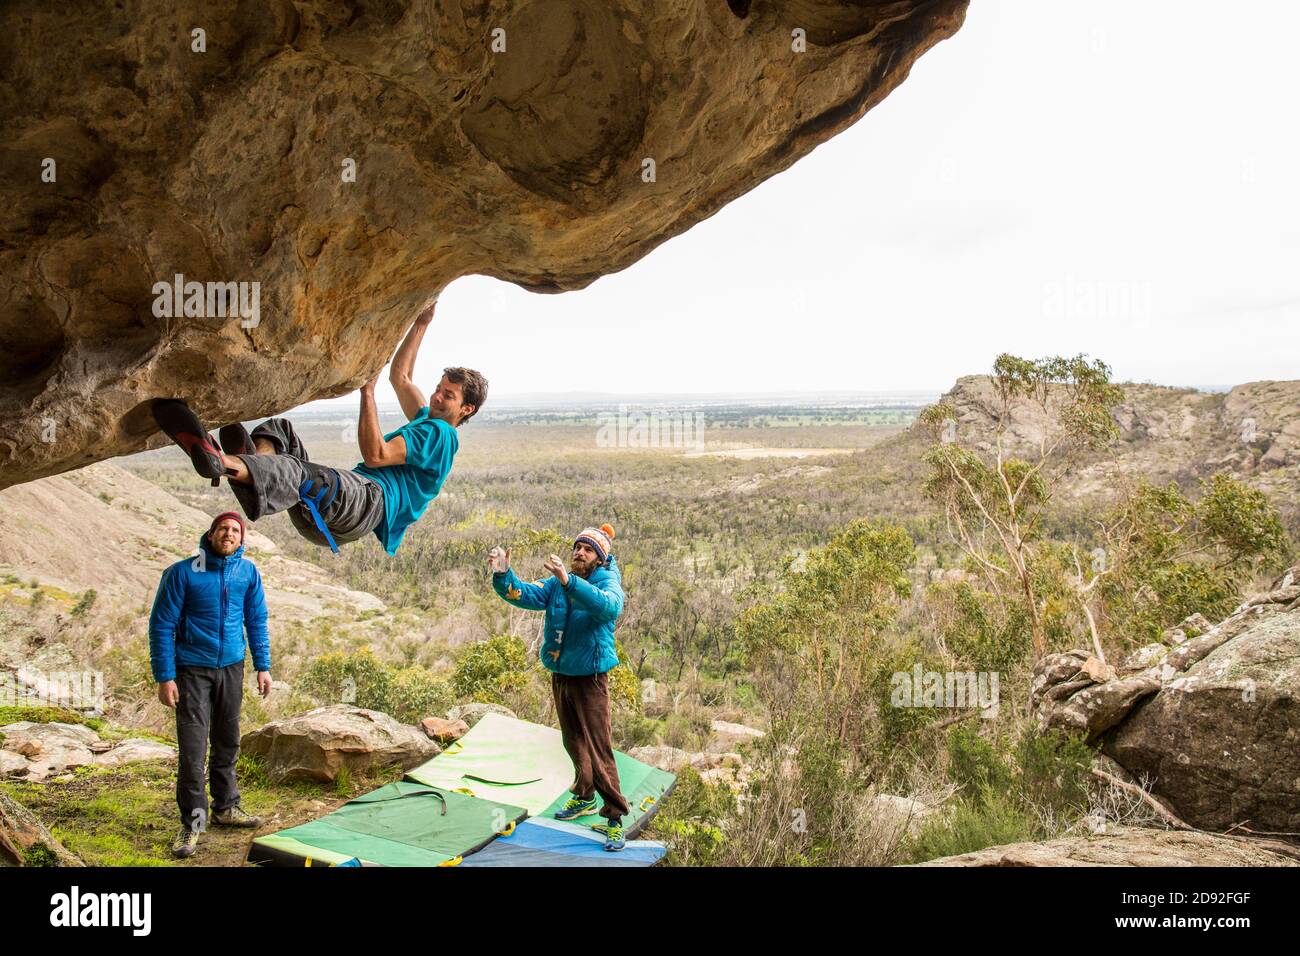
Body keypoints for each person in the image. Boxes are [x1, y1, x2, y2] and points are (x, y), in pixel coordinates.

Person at [149, 297, 486, 556]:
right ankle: (254, 466)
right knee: (281, 431)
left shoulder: (439, 433)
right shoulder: (431, 420)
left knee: (299, 471)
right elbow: (402, 377)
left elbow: (376, 456)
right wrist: (422, 322)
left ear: (466, 408)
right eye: (439, 388)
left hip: (366, 501)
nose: (437, 396)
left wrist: (367, 391)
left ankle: (224, 463)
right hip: (330, 521)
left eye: (449, 395)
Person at [487, 524, 631, 850]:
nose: (580, 553)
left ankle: (614, 818)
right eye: (577, 547)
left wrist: (569, 581)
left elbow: (609, 607)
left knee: (598, 745)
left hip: (592, 675)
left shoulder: (606, 580)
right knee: (573, 740)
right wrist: (503, 574)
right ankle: (584, 795)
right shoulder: (555, 583)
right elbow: (523, 594)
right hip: (562, 672)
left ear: (600, 557)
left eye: (588, 549)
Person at [149, 512, 271, 859]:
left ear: (241, 538)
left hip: (232, 666)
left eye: (235, 530)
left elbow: (256, 619)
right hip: (192, 670)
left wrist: (263, 667)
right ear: (211, 533)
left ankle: (226, 807)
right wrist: (165, 676)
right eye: (223, 528)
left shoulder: (246, 572)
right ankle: (194, 822)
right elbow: (161, 625)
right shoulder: (183, 572)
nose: (228, 534)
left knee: (227, 740)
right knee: (192, 749)